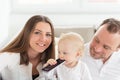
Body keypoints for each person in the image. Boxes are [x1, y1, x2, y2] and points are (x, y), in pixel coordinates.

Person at [0, 15, 55, 80]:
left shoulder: (51, 60)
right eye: (37, 33)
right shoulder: (8, 56)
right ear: (27, 34)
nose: (43, 39)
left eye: (48, 34)